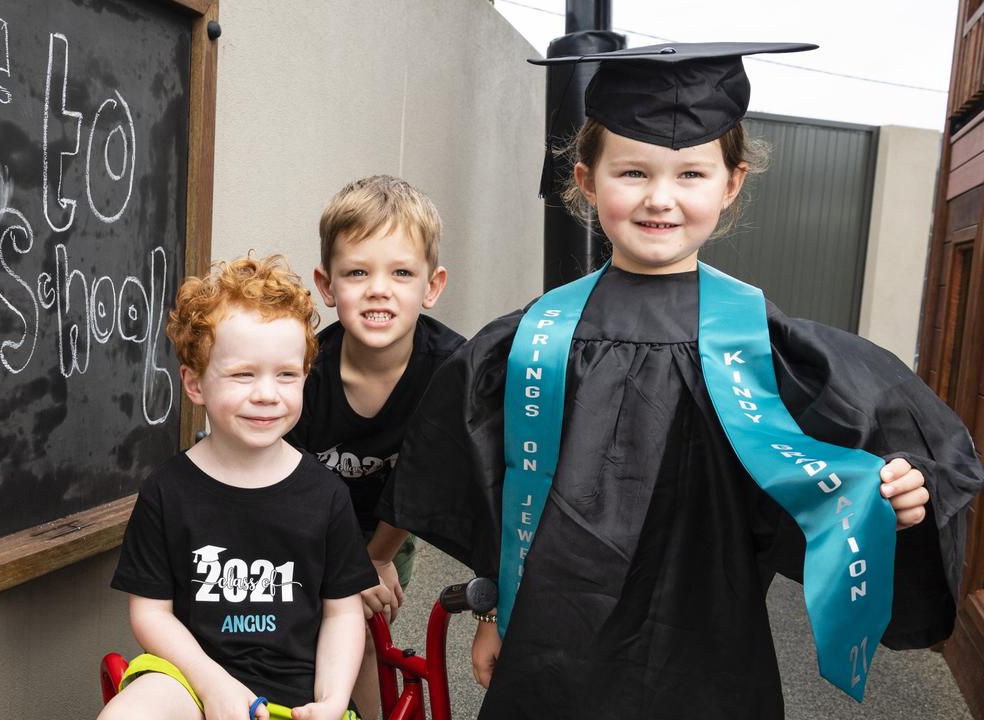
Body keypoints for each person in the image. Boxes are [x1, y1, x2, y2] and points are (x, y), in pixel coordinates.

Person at [377, 43, 984, 719]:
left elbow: (814, 494)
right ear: (586, 179)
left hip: (708, 653)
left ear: (730, 185)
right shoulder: (527, 346)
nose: (659, 198)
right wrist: (493, 605)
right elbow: (493, 504)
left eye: (690, 174)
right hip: (552, 648)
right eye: (632, 171)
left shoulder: (768, 350)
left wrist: (885, 502)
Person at [101, 256, 377, 720]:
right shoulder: (166, 492)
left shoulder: (326, 495)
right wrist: (214, 686)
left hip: (295, 694)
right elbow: (151, 613)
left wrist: (330, 701)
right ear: (194, 384)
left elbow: (343, 614)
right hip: (188, 680)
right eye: (243, 374)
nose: (267, 393)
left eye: (286, 374)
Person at [286, 175, 463, 717]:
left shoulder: (450, 371)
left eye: (401, 273)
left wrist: (375, 558)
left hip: (388, 527)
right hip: (301, 523)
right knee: (293, 628)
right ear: (326, 284)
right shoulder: (305, 368)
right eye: (357, 272)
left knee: (358, 630)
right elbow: (279, 483)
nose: (378, 288)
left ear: (431, 287)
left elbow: (427, 483)